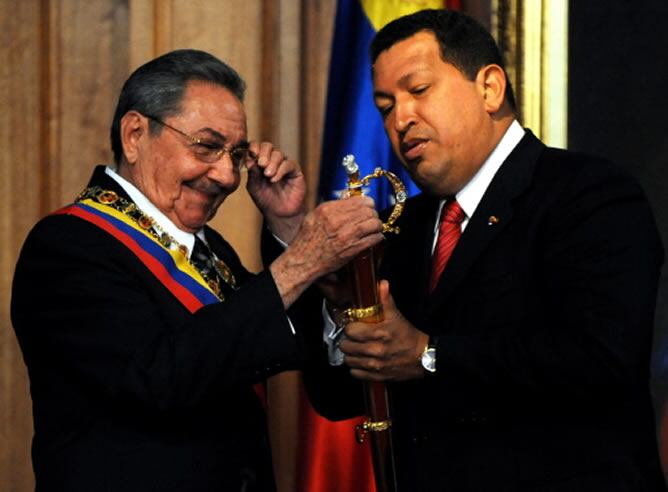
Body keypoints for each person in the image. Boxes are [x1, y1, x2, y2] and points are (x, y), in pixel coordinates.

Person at [309, 9, 666, 491]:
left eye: (418, 91)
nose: (401, 119)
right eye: (385, 106)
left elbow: (601, 360)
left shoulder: (591, 195)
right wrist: (338, 304)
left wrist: (428, 354)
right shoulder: (406, 229)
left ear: (490, 88)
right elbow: (340, 398)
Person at [10, 49, 383, 492]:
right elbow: (160, 378)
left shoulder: (208, 248)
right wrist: (298, 263)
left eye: (237, 153)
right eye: (206, 146)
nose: (227, 176)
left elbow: (307, 371)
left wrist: (286, 225)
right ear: (134, 134)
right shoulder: (68, 245)